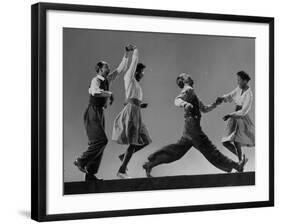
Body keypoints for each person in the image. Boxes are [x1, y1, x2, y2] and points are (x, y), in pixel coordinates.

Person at [143, 73, 247, 177]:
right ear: (184, 81)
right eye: (187, 76)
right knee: (209, 149)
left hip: (189, 128)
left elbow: (204, 109)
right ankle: (237, 166)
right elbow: (177, 100)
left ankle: (150, 164)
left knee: (176, 152)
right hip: (193, 127)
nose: (190, 77)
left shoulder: (192, 94)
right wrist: (185, 104)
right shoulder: (188, 89)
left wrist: (215, 104)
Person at [74, 45, 131, 181]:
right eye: (106, 67)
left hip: (100, 113)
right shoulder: (96, 80)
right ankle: (81, 161)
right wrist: (109, 93)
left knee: (101, 143)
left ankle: (90, 173)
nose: (109, 69)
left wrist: (126, 54)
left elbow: (120, 69)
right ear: (100, 69)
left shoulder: (107, 80)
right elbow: (94, 91)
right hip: (92, 113)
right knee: (100, 140)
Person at [112, 46, 152, 179]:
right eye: (142, 72)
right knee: (133, 143)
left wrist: (140, 105)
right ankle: (122, 170)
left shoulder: (137, 85)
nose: (143, 74)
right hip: (131, 114)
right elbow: (134, 62)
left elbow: (131, 98)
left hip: (136, 113)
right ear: (136, 71)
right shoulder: (129, 77)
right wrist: (134, 49)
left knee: (146, 140)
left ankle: (124, 157)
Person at [217, 71, 255, 162]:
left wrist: (230, 115)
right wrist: (222, 98)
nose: (238, 82)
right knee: (225, 142)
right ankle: (242, 159)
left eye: (239, 80)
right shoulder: (239, 88)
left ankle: (240, 163)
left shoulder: (249, 94)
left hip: (242, 118)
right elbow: (231, 95)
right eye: (237, 80)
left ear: (245, 81)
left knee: (236, 140)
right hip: (235, 116)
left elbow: (243, 111)